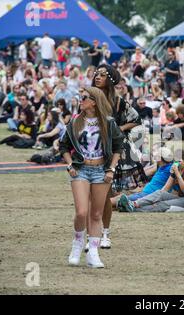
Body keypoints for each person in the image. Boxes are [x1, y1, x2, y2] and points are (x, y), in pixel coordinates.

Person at [60, 87, 124, 268]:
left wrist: (111, 168)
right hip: (80, 170)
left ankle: (93, 253)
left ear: (94, 102)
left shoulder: (108, 123)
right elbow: (63, 146)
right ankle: (77, 243)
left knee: (96, 214)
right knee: (81, 212)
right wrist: (70, 164)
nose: (80, 100)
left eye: (84, 98)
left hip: (101, 171)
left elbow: (119, 146)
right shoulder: (75, 122)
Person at [92, 64, 143, 249]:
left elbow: (136, 118)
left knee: (105, 195)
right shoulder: (87, 97)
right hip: (89, 149)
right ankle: (93, 234)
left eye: (103, 75)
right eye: (97, 74)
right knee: (90, 194)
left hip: (109, 151)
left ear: (111, 79)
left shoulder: (118, 101)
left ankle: (104, 233)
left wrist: (119, 129)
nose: (98, 77)